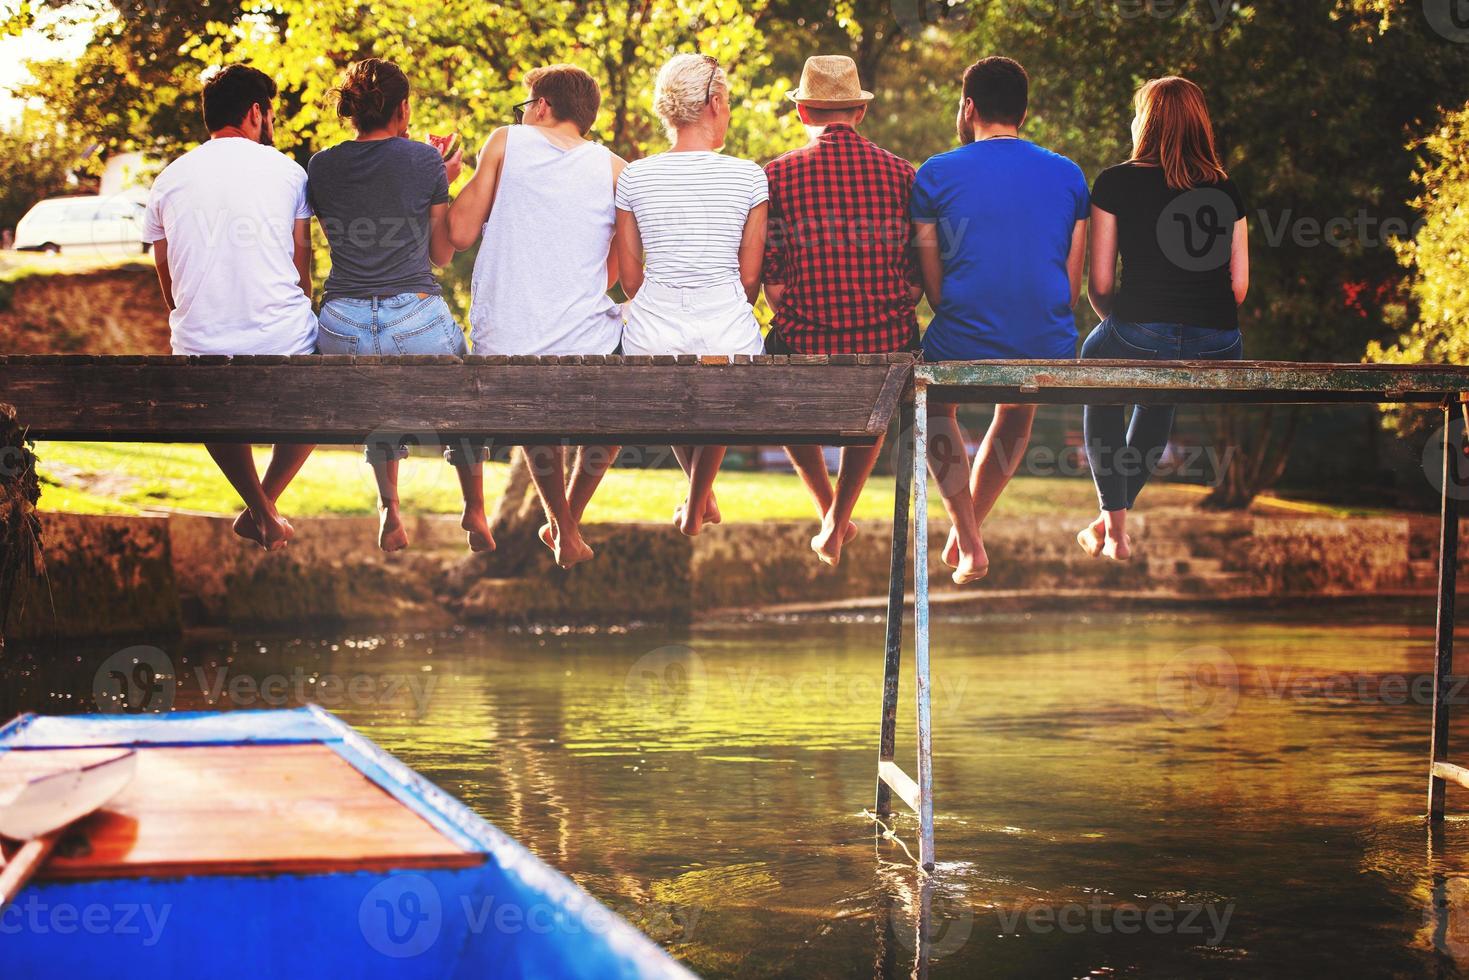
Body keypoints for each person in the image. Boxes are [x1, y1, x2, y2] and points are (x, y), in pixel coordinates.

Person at [912, 56, 1089, 585]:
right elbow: (1072, 286)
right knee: (1017, 408)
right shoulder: (1069, 174)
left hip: (961, 331)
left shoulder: (935, 173)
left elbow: (933, 287)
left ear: (969, 108)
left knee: (935, 408)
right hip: (1048, 340)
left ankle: (968, 537)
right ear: (1024, 112)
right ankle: (966, 536)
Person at [307, 58, 493, 555]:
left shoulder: (320, 166)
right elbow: (440, 253)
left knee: (375, 391)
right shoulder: (423, 161)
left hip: (341, 325)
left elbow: (343, 239)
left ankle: (390, 510)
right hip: (415, 319)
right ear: (403, 108)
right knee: (465, 378)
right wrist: (442, 180)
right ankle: (474, 507)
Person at [449, 64, 627, 569]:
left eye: (526, 104)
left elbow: (459, 234)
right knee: (619, 405)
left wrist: (446, 183)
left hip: (504, 341)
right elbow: (613, 271)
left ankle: (563, 527)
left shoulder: (506, 141)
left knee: (534, 388)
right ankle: (567, 520)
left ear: (542, 106)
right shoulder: (616, 168)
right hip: (583, 341)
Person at [142, 64, 317, 552]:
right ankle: (264, 507)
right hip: (283, 341)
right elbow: (301, 263)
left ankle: (260, 511)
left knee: (205, 378)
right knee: (323, 396)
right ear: (255, 112)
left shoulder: (169, 178)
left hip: (201, 346)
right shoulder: (288, 171)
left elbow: (168, 280)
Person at [1077, 76, 1248, 560]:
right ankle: (1112, 525)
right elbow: (1238, 288)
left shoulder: (1115, 182)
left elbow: (1102, 285)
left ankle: (1115, 532)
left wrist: (1132, 327)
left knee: (1096, 366)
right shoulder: (1225, 188)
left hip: (1140, 327)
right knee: (1160, 391)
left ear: (1145, 123)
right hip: (1220, 343)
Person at [762, 55, 922, 568]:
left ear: (803, 113)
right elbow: (918, 277)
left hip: (806, 338)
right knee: (875, 389)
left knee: (773, 382)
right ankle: (836, 517)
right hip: (889, 344)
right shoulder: (904, 174)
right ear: (860, 112)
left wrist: (811, 315)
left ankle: (829, 512)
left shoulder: (778, 174)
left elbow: (775, 282)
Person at [614, 53, 767, 537]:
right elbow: (748, 280)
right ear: (715, 103)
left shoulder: (634, 177)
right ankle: (700, 498)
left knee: (677, 367)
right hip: (729, 335)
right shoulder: (748, 176)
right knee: (718, 366)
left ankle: (700, 498)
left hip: (651, 337)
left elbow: (630, 280)